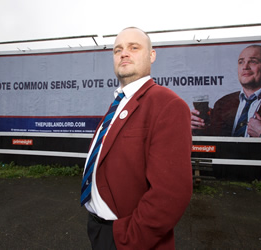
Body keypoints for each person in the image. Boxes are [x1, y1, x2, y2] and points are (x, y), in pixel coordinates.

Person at [80, 27, 193, 249]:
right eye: (118, 49)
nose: (124, 53)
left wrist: (126, 238)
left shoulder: (167, 104)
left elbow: (170, 195)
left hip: (127, 239)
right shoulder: (119, 103)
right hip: (99, 229)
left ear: (151, 55)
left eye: (134, 47)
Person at [191, 44, 261, 137]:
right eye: (241, 62)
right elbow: (212, 145)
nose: (245, 67)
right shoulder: (222, 104)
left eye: (253, 61)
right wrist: (196, 129)